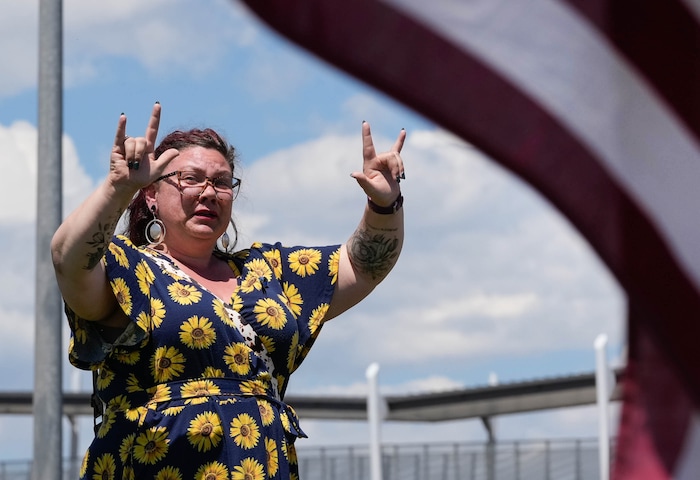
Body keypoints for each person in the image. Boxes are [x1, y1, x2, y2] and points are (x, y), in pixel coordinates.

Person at [51, 102, 405, 480]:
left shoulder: (266, 271)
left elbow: (364, 265)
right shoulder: (129, 268)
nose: (208, 192)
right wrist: (116, 189)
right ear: (151, 193)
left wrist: (384, 204)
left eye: (222, 182)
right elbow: (68, 259)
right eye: (191, 178)